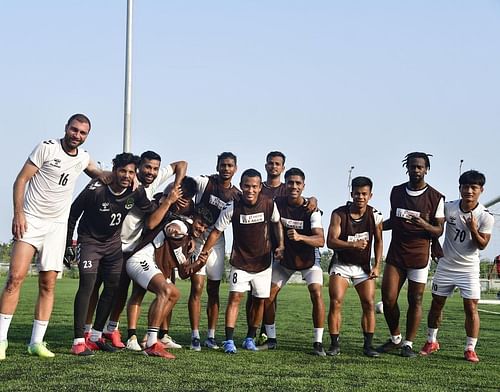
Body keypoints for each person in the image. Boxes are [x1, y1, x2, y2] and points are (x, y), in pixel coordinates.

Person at [0, 114, 102, 360]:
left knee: (49, 284)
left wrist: (127, 177)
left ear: (87, 136)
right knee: (15, 277)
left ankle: (36, 342)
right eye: (74, 130)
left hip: (57, 227)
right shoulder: (47, 148)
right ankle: (1, 339)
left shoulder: (84, 158)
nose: (77, 135)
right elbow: (21, 180)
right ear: (66, 128)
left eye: (82, 133)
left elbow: (102, 175)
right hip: (31, 220)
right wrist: (18, 214)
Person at [86, 151, 187, 349]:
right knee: (95, 287)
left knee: (120, 290)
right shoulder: (130, 183)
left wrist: (176, 187)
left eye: (156, 168)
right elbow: (150, 224)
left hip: (130, 247)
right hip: (109, 243)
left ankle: (111, 329)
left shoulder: (154, 182)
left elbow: (181, 164)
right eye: (147, 167)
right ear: (139, 167)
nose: (151, 172)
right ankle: (87, 331)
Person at [68, 152, 155, 356]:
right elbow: (73, 213)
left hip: (112, 245)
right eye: (122, 171)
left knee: (113, 287)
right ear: (114, 171)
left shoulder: (136, 192)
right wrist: (67, 245)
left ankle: (97, 337)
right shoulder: (96, 189)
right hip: (89, 242)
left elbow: (150, 210)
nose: (126, 175)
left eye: (131, 172)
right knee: (87, 287)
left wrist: (168, 205)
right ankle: (79, 341)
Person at [193, 169, 284, 354]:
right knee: (235, 298)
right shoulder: (232, 207)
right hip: (240, 262)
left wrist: (281, 244)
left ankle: (250, 338)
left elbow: (276, 223)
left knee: (260, 301)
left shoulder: (269, 204)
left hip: (262, 263)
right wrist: (204, 252)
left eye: (254, 187)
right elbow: (216, 232)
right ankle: (228, 340)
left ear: (260, 188)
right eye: (247, 186)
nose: (250, 190)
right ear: (241, 187)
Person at [420, 170, 494, 363]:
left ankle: (470, 348)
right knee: (437, 304)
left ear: (481, 190)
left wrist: (473, 230)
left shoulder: (486, 216)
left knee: (471, 307)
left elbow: (482, 245)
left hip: (469, 269)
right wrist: (434, 246)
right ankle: (431, 341)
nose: (469, 191)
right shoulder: (449, 207)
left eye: (474, 187)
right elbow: (435, 227)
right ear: (460, 188)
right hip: (446, 265)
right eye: (465, 187)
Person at [377, 152, 445, 358]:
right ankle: (395, 338)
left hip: (419, 253)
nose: (416, 170)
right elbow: (392, 221)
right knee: (388, 299)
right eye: (412, 166)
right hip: (397, 251)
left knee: (415, 299)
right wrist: (374, 226)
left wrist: (424, 224)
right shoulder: (397, 191)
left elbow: (438, 230)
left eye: (420, 167)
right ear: (407, 168)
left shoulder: (435, 196)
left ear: (427, 169)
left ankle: (408, 343)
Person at [260, 168, 326, 356]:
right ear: (285, 185)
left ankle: (318, 343)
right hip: (285, 258)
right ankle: (271, 339)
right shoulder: (277, 203)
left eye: (298, 183)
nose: (294, 186)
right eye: (290, 182)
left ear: (303, 186)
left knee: (316, 292)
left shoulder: (311, 210)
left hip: (309, 258)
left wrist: (300, 237)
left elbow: (321, 240)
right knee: (268, 295)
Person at [188, 152, 240, 351]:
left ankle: (210, 336)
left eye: (229, 165)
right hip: (197, 238)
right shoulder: (204, 182)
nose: (226, 168)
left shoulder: (237, 195)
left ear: (235, 169)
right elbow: (182, 184)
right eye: (223, 165)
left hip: (217, 243)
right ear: (217, 166)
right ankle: (195, 335)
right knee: (197, 287)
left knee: (213, 290)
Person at [326, 176, 383, 357]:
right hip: (341, 264)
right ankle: (335, 344)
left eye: (364, 194)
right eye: (357, 193)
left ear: (370, 195)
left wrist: (377, 265)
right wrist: (353, 245)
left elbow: (379, 241)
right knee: (336, 302)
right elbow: (331, 241)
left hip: (363, 267)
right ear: (351, 194)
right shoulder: (339, 213)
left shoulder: (375, 215)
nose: (360, 197)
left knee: (368, 303)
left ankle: (368, 345)